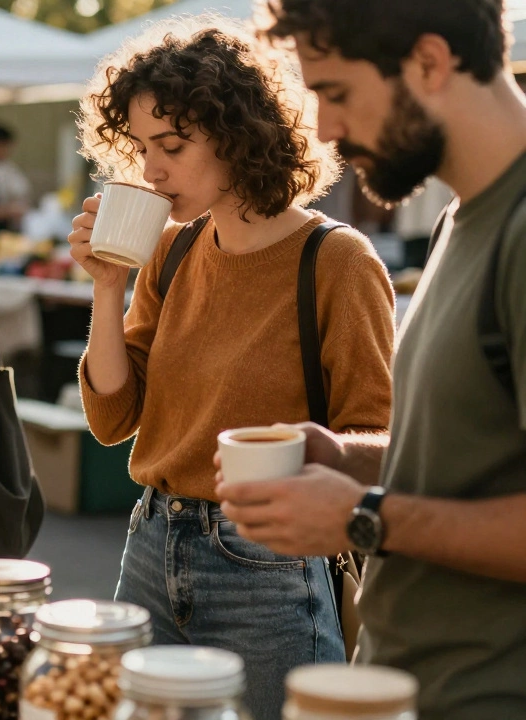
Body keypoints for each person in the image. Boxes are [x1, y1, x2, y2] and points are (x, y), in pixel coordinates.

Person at [68, 20, 394, 720]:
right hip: (150, 539)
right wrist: (105, 286)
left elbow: (377, 437)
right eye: (142, 147)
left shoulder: (338, 262)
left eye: (173, 147)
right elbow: (112, 419)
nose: (150, 171)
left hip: (271, 563)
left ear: (239, 132)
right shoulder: (171, 251)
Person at [216, 2, 526, 717]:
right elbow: (474, 460)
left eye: (335, 92)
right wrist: (347, 459)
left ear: (429, 61)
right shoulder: (461, 215)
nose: (324, 128)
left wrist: (364, 517)